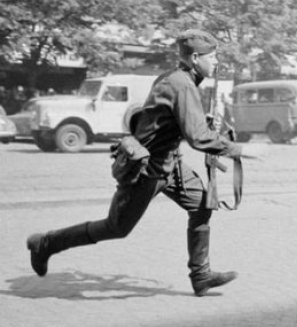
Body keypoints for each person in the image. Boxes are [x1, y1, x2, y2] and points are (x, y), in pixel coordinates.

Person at [26, 29, 245, 296]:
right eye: (213, 57)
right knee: (116, 228)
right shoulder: (182, 85)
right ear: (196, 58)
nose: (217, 62)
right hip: (146, 170)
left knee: (201, 206)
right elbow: (198, 138)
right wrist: (236, 148)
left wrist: (200, 121)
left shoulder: (177, 79)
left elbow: (171, 121)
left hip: (171, 165)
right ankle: (45, 243)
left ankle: (201, 276)